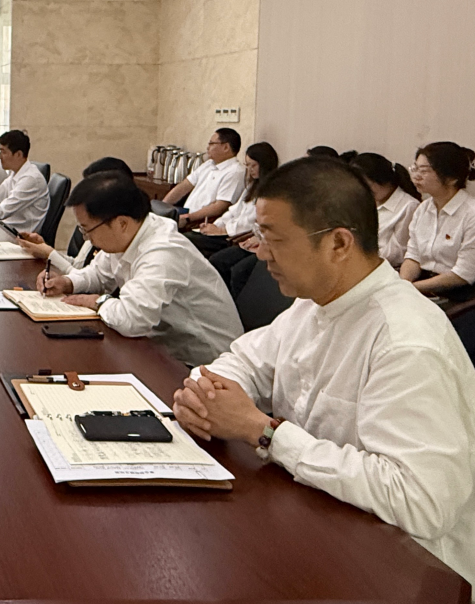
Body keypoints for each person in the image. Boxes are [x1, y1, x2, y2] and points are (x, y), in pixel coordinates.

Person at [172, 157, 475, 590]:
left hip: (407, 573)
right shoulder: (314, 303)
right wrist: (207, 396)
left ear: (338, 243)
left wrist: (265, 432)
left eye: (275, 239)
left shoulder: (405, 340)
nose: (262, 253)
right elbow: (245, 359)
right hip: (321, 523)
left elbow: (421, 502)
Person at [39, 171, 242, 365]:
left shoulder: (163, 251)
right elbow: (98, 274)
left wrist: (98, 301)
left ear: (121, 223)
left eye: (87, 230)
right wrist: (67, 282)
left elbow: (132, 319)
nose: (87, 238)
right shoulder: (128, 235)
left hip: (202, 362)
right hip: (159, 346)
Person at [17, 156, 132, 269]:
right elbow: (79, 265)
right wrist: (44, 250)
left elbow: (84, 276)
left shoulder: (116, 235)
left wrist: (49, 254)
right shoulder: (97, 222)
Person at [400, 141, 475, 295]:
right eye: (415, 168)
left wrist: (411, 289)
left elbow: (463, 274)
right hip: (421, 284)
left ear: (452, 178)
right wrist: (403, 283)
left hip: (459, 292)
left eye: (424, 171)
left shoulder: (471, 213)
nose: (416, 176)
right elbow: (413, 256)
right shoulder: (423, 208)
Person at [187, 142, 279, 258]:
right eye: (247, 165)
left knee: (209, 254)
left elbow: (249, 222)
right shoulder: (253, 185)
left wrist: (222, 230)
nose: (250, 169)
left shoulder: (272, 190)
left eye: (253, 165)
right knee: (186, 238)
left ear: (264, 164)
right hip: (226, 231)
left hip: (237, 235)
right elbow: (234, 210)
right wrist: (215, 226)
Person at [163, 128, 246, 228]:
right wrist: (163, 206)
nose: (207, 147)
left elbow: (219, 207)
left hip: (200, 223)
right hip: (185, 215)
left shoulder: (235, 172)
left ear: (226, 147)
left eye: (211, 144)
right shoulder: (209, 164)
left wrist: (188, 218)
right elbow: (184, 186)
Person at [351, 152, 420, 268]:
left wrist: (361, 259)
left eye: (367, 185)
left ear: (383, 179)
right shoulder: (365, 202)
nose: (363, 190)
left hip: (384, 268)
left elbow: (398, 253)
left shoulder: (409, 206)